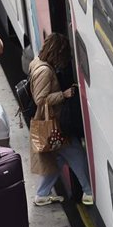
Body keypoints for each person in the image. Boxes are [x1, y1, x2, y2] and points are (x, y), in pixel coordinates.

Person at [29, 33, 93, 206]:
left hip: (51, 123)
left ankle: (42, 194)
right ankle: (89, 192)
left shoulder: (37, 62)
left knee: (58, 159)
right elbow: (40, 99)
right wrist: (63, 95)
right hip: (55, 123)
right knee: (76, 153)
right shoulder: (44, 71)